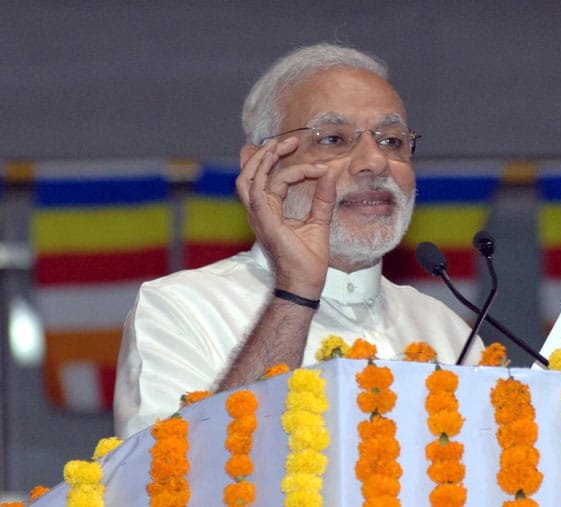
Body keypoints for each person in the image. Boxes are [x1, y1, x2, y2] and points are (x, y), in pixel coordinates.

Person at [113, 42, 482, 438]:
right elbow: (173, 483)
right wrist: (296, 291)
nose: (374, 162)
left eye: (391, 141)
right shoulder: (181, 308)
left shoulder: (449, 330)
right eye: (334, 139)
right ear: (262, 165)